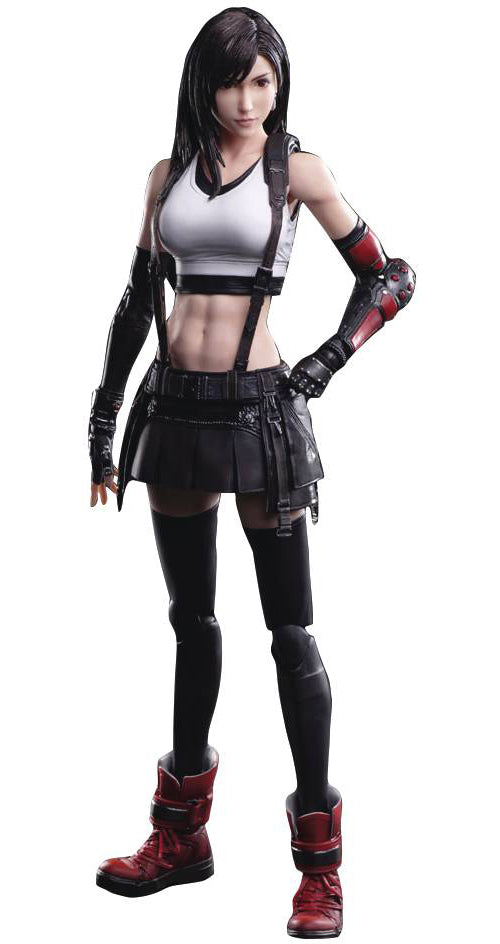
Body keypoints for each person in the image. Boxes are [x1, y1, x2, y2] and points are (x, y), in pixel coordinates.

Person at [88, 6, 415, 938]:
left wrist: (324, 363)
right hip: (174, 415)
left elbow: (390, 276)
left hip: (261, 417)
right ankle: (180, 838)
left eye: (263, 81)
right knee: (192, 624)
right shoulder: (166, 176)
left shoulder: (295, 171)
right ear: (204, 83)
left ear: (280, 84)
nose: (246, 99)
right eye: (232, 80)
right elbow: (136, 301)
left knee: (290, 634)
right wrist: (103, 419)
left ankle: (320, 871)